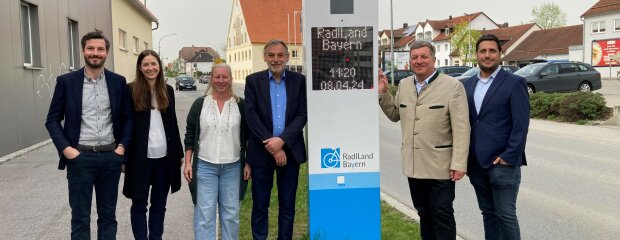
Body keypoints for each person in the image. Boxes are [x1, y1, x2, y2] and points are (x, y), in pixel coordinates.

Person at [378, 41, 470, 240]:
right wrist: (384, 93)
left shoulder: (452, 86)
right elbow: (395, 114)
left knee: (441, 214)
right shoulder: (404, 85)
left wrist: (459, 163)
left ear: (433, 60)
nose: (419, 61)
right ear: (410, 61)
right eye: (414, 57)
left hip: (441, 166)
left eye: (424, 56)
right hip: (414, 165)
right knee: (423, 213)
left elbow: (462, 129)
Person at [45, 31, 133, 239]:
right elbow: (52, 120)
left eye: (100, 49)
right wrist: (67, 150)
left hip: (111, 157)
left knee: (108, 217)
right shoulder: (66, 82)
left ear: (107, 52)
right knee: (80, 218)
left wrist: (121, 148)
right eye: (91, 48)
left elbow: (128, 119)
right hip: (80, 158)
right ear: (83, 50)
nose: (96, 53)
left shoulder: (118, 82)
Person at [463, 34, 529, 240]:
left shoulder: (514, 83)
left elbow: (521, 125)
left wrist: (509, 156)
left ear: (500, 54)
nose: (487, 55)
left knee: (506, 216)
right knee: (488, 214)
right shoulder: (466, 85)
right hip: (476, 164)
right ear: (476, 55)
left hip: (503, 164)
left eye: (492, 51)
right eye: (483, 51)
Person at [244, 40, 307, 240]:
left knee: (287, 205)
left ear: (287, 57)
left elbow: (302, 114)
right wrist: (272, 145)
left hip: (291, 152)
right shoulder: (253, 81)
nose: (276, 59)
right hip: (261, 152)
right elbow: (251, 117)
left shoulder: (299, 81)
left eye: (280, 55)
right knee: (260, 204)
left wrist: (282, 142)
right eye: (271, 55)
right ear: (264, 57)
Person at [183, 63, 251, 240]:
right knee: (204, 216)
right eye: (217, 77)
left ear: (230, 79)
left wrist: (248, 163)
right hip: (205, 166)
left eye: (224, 77)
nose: (221, 81)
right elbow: (190, 135)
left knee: (231, 216)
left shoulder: (241, 106)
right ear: (211, 79)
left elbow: (249, 137)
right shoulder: (200, 105)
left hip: (233, 167)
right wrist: (188, 163)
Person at [121, 50, 184, 240]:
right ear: (140, 67)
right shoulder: (130, 90)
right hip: (138, 159)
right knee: (139, 205)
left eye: (153, 64)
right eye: (146, 64)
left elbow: (172, 123)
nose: (150, 68)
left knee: (159, 205)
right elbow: (123, 124)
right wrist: (123, 156)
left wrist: (179, 153)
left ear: (160, 66)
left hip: (164, 159)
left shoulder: (167, 90)